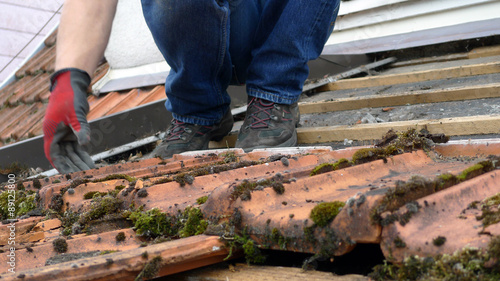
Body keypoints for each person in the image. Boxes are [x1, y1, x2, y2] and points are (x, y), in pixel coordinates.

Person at [43, 0, 341, 174]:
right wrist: (70, 78)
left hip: (279, 17)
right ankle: (199, 109)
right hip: (211, 25)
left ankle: (273, 96)